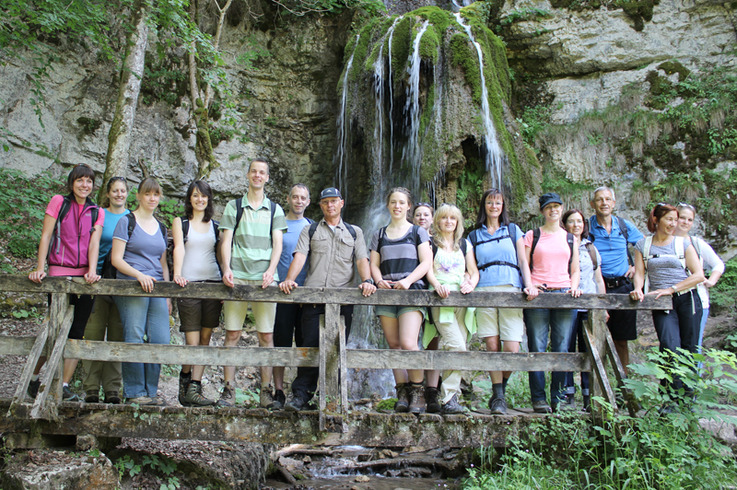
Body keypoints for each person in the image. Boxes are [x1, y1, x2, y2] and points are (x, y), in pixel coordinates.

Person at [279, 187, 377, 411]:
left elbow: (362, 258)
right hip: (314, 298)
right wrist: (289, 279)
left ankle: (334, 398)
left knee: (338, 348)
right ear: (320, 206)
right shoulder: (310, 230)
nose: (330, 205)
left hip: (343, 300)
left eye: (334, 201)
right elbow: (300, 256)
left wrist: (368, 280)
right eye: (325, 202)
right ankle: (301, 395)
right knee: (310, 346)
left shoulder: (354, 232)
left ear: (341, 203)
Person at [28, 164, 104, 401]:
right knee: (54, 330)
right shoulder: (59, 202)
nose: (85, 185)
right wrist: (40, 268)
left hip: (84, 277)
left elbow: (94, 243)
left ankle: (63, 384)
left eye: (89, 181)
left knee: (77, 332)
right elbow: (46, 235)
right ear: (72, 182)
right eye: (80, 180)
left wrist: (92, 270)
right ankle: (33, 377)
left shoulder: (96, 210)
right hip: (59, 272)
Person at [218, 159, 287, 408]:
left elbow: (277, 243)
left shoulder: (275, 209)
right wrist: (226, 269)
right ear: (248, 175)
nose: (258, 176)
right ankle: (228, 390)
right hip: (237, 276)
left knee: (266, 336)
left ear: (267, 177)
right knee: (232, 334)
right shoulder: (234, 206)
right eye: (254, 172)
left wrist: (271, 271)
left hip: (265, 280)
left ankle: (266, 391)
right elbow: (226, 241)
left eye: (262, 173)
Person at [468, 189, 537, 415]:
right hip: (484, 290)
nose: (494, 206)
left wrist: (529, 284)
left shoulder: (513, 230)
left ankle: (501, 388)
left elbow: (523, 261)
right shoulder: (473, 236)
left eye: (497, 202)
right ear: (484, 205)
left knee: (512, 347)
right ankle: (498, 396)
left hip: (510, 288)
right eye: (489, 202)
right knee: (492, 345)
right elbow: (470, 267)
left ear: (503, 205)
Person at [631, 203, 704, 409]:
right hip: (661, 302)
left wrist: (672, 288)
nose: (674, 223)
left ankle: (687, 401)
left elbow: (698, 275)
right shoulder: (643, 245)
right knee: (669, 346)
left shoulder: (683, 244)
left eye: (676, 219)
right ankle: (668, 400)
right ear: (656, 220)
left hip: (686, 298)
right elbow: (639, 272)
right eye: (669, 219)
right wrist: (638, 289)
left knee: (688, 349)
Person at [370, 188, 432, 414]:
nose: (397, 206)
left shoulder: (417, 232)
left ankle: (418, 391)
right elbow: (374, 264)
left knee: (408, 343)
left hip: (411, 290)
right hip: (387, 292)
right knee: (394, 345)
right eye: (393, 202)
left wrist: (407, 281)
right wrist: (378, 280)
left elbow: (426, 262)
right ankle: (402, 392)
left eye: (402, 202)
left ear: (408, 206)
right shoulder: (379, 234)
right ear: (388, 205)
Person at [110, 177, 170, 405]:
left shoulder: (161, 227)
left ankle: (151, 392)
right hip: (131, 283)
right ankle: (135, 393)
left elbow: (163, 263)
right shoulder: (127, 222)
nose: (152, 198)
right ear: (139, 196)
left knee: (161, 338)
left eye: (156, 194)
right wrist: (138, 275)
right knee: (135, 334)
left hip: (157, 287)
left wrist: (167, 294)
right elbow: (116, 259)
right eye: (147, 194)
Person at [524, 192, 581, 413]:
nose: (553, 210)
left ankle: (558, 398)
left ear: (561, 209)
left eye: (557, 206)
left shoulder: (570, 238)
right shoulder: (533, 235)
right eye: (549, 207)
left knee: (562, 348)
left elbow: (574, 269)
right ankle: (538, 399)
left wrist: (574, 287)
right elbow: (525, 266)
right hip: (539, 294)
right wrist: (530, 285)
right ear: (542, 211)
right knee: (537, 347)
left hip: (564, 293)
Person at [425, 204, 479, 413]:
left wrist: (470, 284)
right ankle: (448, 398)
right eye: (444, 218)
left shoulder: (464, 245)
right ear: (437, 221)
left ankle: (449, 398)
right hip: (441, 299)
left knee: (457, 347)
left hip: (462, 301)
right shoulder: (431, 244)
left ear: (458, 222)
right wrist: (436, 285)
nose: (448, 221)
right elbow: (428, 268)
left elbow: (473, 271)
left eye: (453, 218)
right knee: (457, 347)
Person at [172, 180, 222, 407]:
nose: (199, 199)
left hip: (212, 284)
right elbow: (179, 248)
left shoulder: (215, 226)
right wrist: (177, 273)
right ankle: (185, 378)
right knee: (191, 341)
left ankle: (194, 386)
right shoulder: (181, 223)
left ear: (209, 199)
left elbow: (220, 255)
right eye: (195, 195)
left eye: (203, 196)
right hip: (189, 285)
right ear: (189, 199)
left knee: (205, 339)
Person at [82, 176, 129, 404]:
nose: (119, 194)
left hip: (122, 284)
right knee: (94, 333)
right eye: (115, 191)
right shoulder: (100, 214)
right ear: (108, 194)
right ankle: (91, 388)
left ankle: (112, 389)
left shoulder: (132, 218)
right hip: (98, 280)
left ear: (127, 193)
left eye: (123, 191)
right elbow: (92, 243)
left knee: (117, 336)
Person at [588, 186, 644, 373]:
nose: (604, 203)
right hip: (598, 287)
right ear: (592, 204)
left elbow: (645, 246)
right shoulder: (587, 227)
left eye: (607, 199)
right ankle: (597, 387)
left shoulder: (623, 225)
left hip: (622, 287)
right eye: (599, 199)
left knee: (621, 340)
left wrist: (636, 266)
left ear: (613, 203)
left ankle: (624, 388)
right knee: (597, 337)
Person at [272, 184, 312, 410]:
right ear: (288, 199)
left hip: (305, 293)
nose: (298, 201)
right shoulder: (278, 225)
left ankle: (300, 394)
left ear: (308, 201)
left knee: (305, 343)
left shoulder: (312, 227)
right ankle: (278, 391)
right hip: (280, 292)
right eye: (295, 197)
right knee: (281, 341)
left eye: (303, 198)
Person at [562, 208, 606, 411]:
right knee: (567, 349)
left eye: (579, 221)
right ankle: (567, 393)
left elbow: (598, 278)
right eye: (571, 222)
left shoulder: (591, 249)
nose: (576, 225)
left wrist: (602, 305)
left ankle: (590, 396)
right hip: (567, 304)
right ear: (565, 225)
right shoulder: (561, 245)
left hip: (589, 306)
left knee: (589, 350)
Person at [674, 203, 724, 353]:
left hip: (698, 301)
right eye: (682, 218)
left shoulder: (696, 244)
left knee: (694, 347)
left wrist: (711, 281)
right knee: (673, 345)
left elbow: (718, 264)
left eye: (690, 220)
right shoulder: (664, 242)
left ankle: (695, 376)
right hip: (672, 301)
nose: (685, 222)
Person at [413, 202, 441, 413]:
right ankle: (412, 391)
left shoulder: (439, 242)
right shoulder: (408, 236)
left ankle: (432, 392)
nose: (422, 218)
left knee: (434, 343)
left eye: (426, 215)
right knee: (410, 342)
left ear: (432, 218)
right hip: (413, 295)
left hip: (435, 295)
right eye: (418, 215)